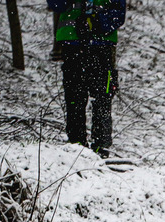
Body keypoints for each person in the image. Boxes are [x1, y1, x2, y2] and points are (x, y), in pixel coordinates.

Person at [47, 0, 126, 158]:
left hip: (101, 45)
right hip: (73, 44)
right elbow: (56, 4)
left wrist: (97, 22)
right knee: (75, 97)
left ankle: (100, 150)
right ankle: (77, 148)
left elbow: (119, 14)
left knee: (103, 97)